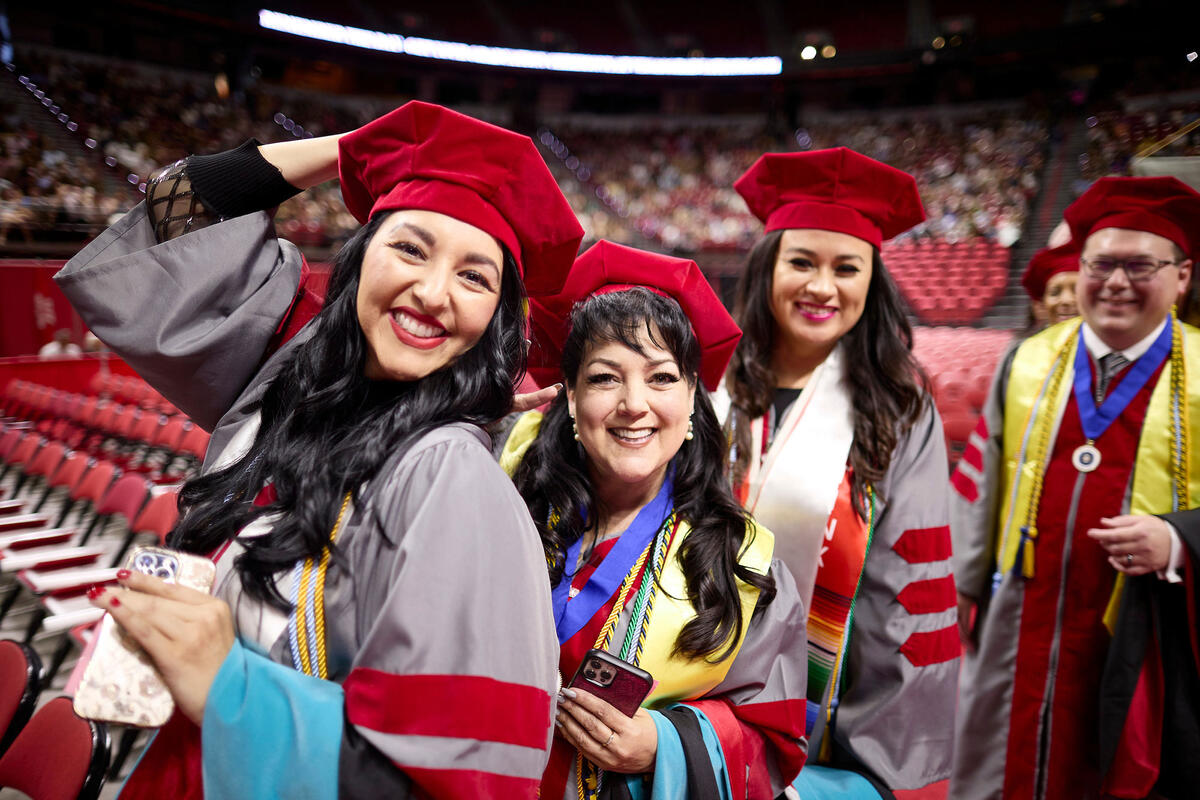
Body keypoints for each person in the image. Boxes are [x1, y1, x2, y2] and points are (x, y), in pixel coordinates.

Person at [65, 101, 584, 798]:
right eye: (409, 247)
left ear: (497, 316)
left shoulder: (449, 473)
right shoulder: (288, 369)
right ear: (358, 256)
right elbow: (173, 215)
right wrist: (355, 150)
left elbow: (462, 773)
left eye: (474, 276)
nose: (432, 294)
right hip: (191, 764)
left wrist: (230, 684)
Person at [500, 240, 809, 799]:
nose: (634, 404)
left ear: (692, 395)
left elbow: (775, 740)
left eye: (662, 377)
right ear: (569, 396)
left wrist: (664, 745)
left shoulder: (739, 564)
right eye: (603, 378)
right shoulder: (503, 513)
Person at [950, 175, 1200, 799]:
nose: (1116, 282)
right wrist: (958, 587)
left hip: (1147, 625)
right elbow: (983, 494)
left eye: (1140, 266)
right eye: (1101, 264)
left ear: (1183, 277)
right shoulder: (1029, 359)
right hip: (1021, 615)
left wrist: (1178, 539)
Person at [721, 148, 958, 798]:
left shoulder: (898, 408)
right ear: (768, 267)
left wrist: (873, 773)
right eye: (802, 262)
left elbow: (907, 595)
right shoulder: (706, 383)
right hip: (685, 706)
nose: (822, 287)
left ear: (870, 282)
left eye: (846, 268)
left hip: (825, 733)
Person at [1022, 241, 1081, 329]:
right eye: (1054, 293)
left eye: (1078, 290)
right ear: (1043, 305)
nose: (1066, 300)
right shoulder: (1033, 343)